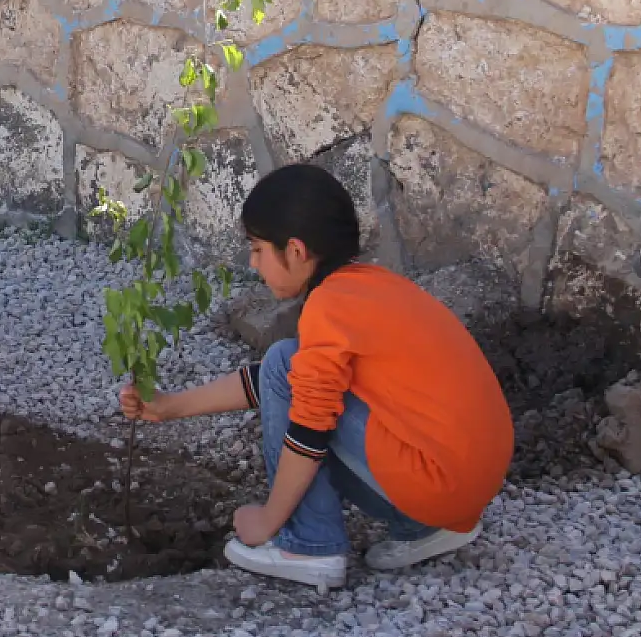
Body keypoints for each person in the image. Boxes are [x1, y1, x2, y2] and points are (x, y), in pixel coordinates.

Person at [121, 164, 514, 589]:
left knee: (288, 374)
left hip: (441, 484)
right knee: (287, 363)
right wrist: (170, 406)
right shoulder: (368, 284)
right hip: (468, 484)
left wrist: (267, 519)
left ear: (294, 250)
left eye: (256, 249)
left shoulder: (328, 306)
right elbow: (291, 377)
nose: (253, 264)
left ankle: (310, 546)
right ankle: (426, 528)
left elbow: (308, 423)